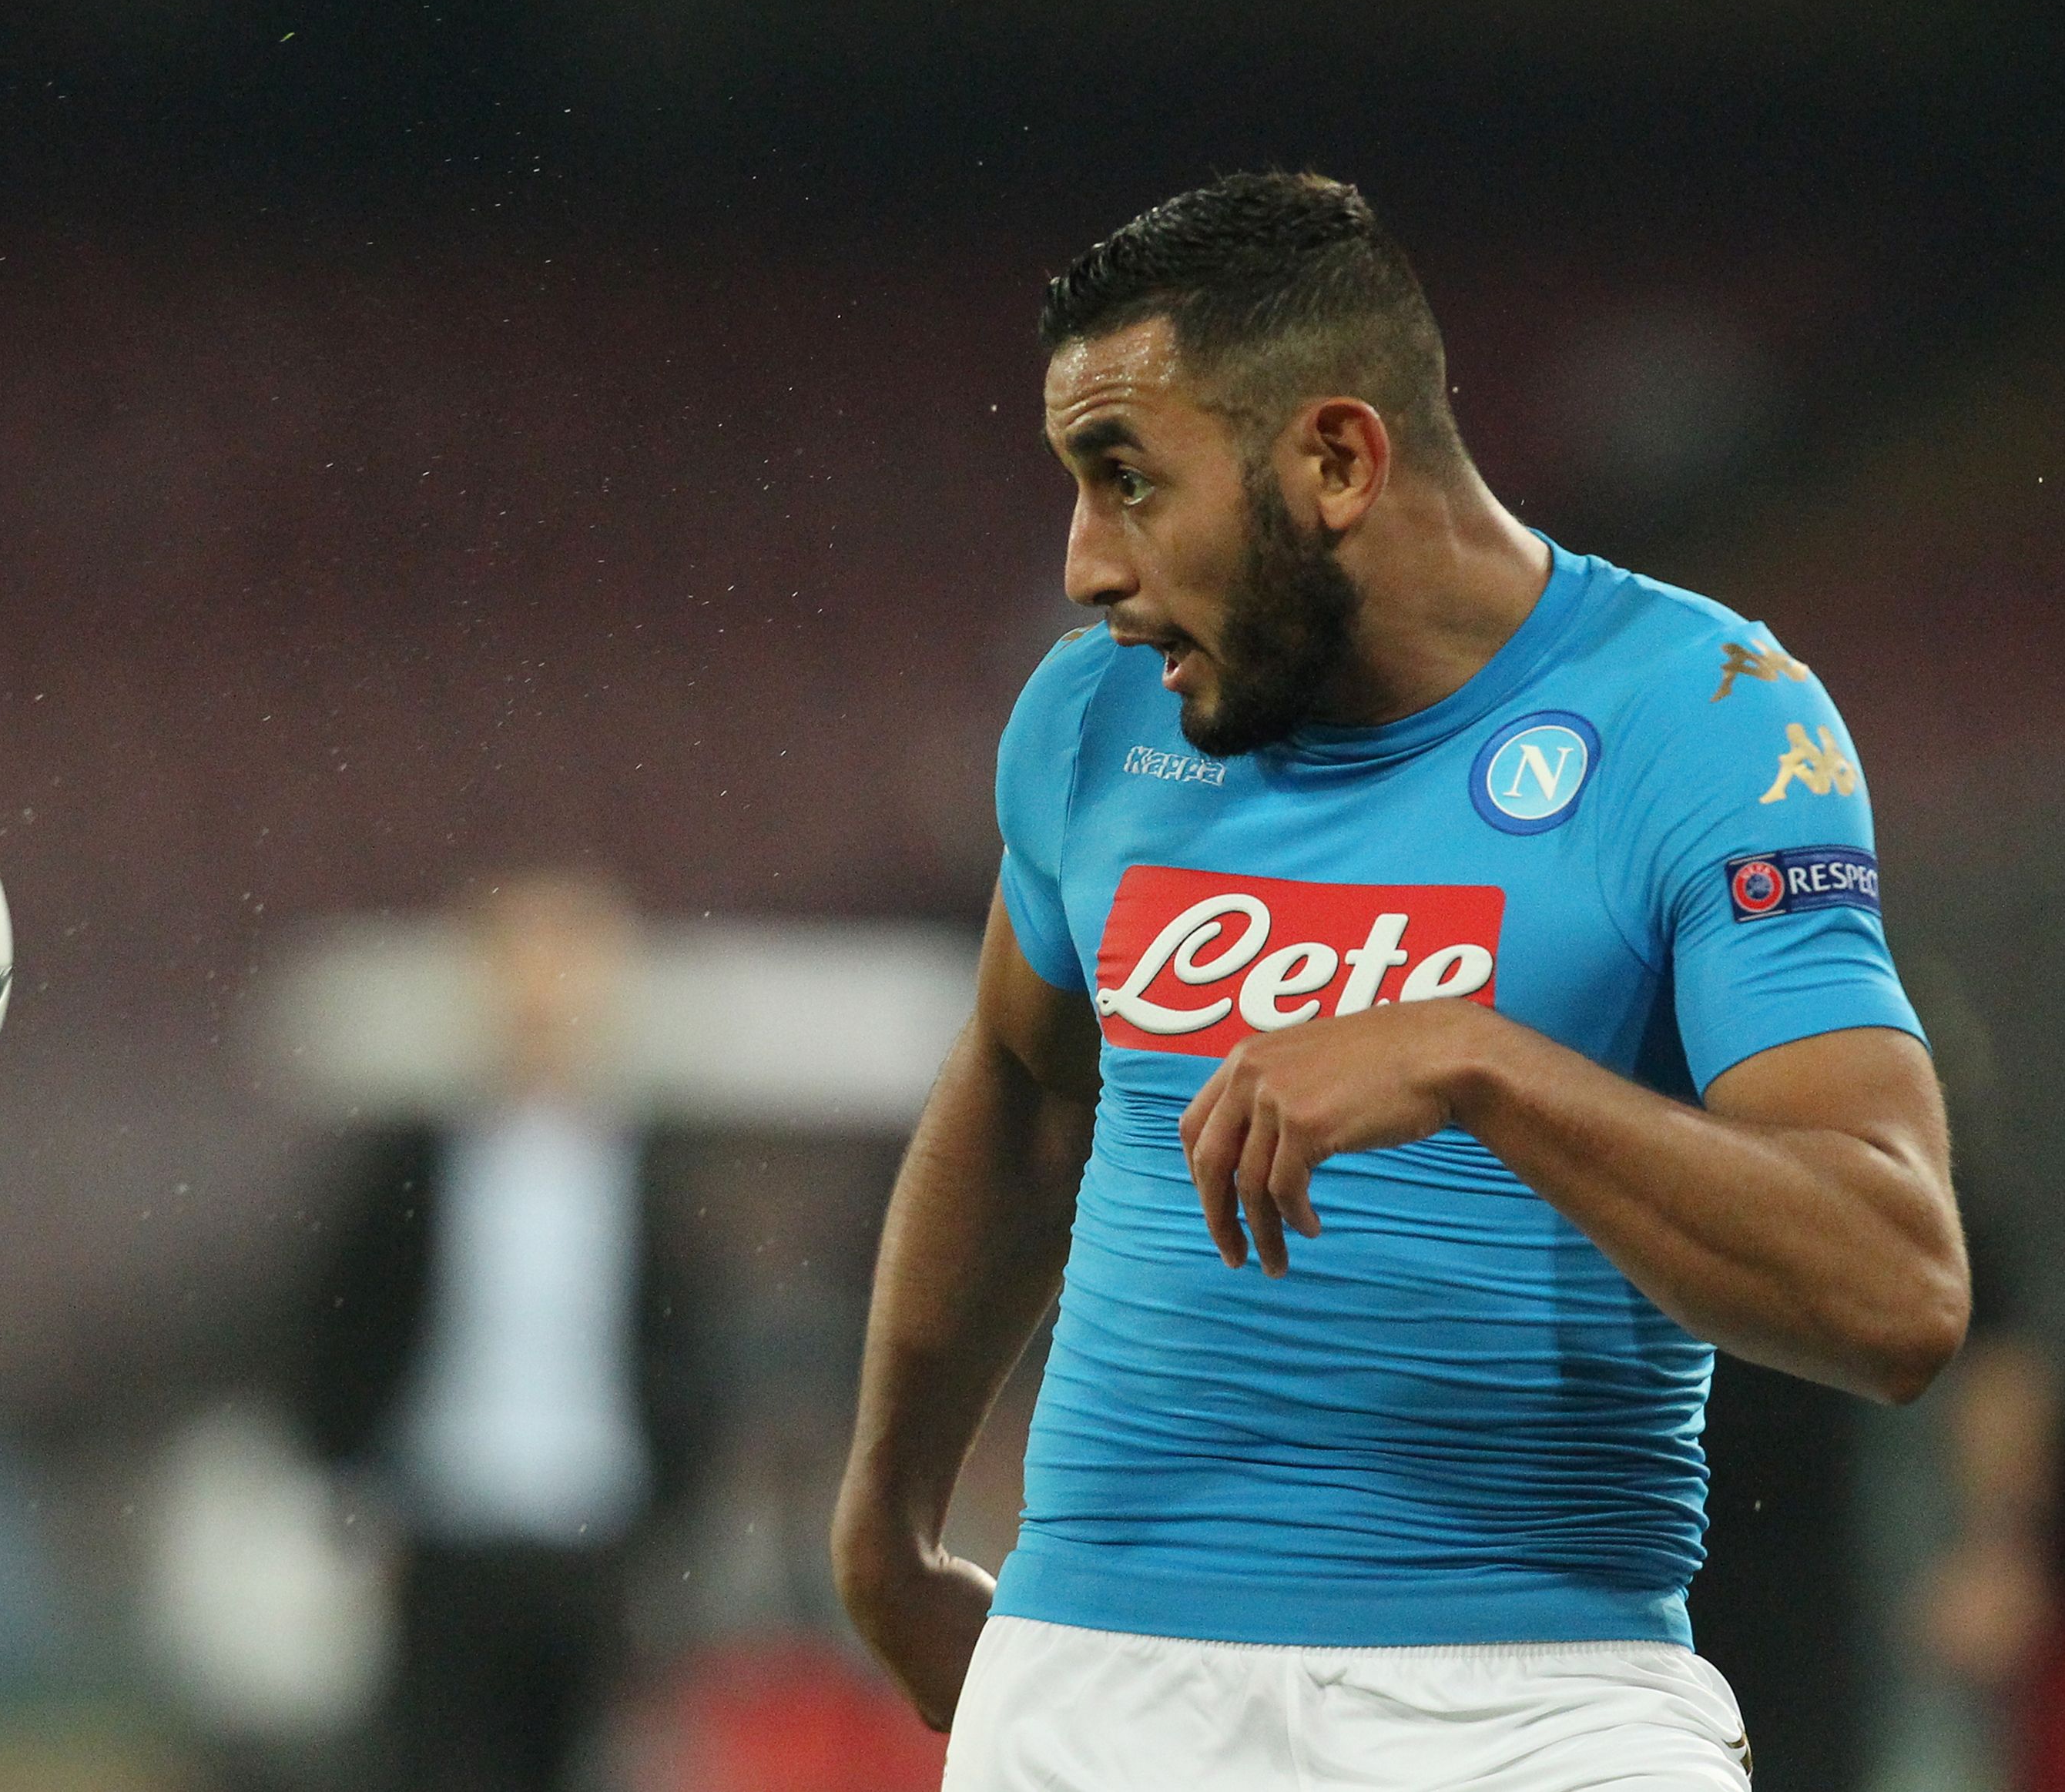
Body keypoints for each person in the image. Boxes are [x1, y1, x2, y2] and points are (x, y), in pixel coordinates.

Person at [830, 173, 1966, 1791]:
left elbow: (1893, 1286)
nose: (1086, 564)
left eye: (1129, 480)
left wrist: (1477, 1061)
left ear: (1339, 460)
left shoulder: (1701, 717)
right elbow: (1022, 1093)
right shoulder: (1096, 718)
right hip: (1095, 1689)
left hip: (1536, 1705)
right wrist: (885, 1513)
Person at [294, 871, 709, 1792]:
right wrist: (351, 1481)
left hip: (596, 1540)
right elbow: (335, 1326)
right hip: (448, 1534)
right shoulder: (409, 1164)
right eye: (520, 975)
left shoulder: (652, 1175)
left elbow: (686, 1354)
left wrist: (675, 1513)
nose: (542, 1004)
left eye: (565, 975)